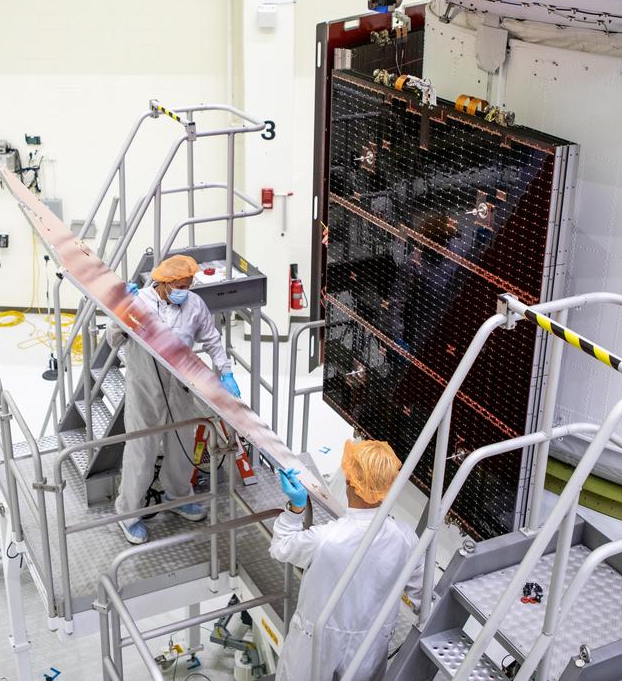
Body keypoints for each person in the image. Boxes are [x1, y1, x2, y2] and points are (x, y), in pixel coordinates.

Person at [107, 254, 240, 544]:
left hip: (180, 385)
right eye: (180, 284)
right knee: (141, 448)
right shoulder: (138, 301)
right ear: (164, 283)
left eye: (189, 284)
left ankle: (178, 496)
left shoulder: (194, 305)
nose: (185, 289)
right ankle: (127, 513)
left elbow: (212, 338)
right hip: (146, 387)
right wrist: (121, 310)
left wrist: (226, 373)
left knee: (183, 442)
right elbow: (113, 340)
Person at [269, 440, 423, 680]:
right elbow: (422, 596)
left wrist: (296, 508)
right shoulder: (406, 538)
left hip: (315, 642)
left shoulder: (327, 539)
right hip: (371, 643)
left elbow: (281, 547)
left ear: (350, 482)